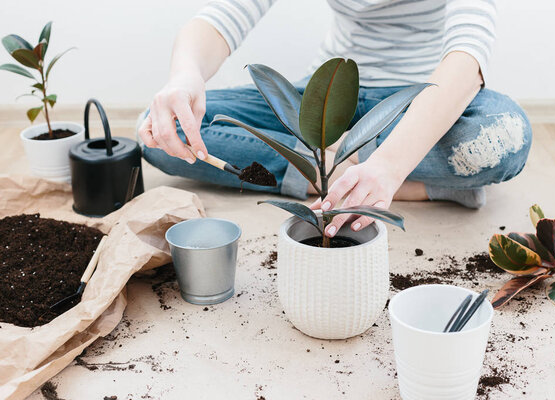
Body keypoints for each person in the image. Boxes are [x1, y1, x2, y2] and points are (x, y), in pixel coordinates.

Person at [138, 0, 531, 239]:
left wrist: (390, 166)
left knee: (505, 134)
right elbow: (223, 17)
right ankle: (427, 185)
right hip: (327, 93)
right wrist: (185, 74)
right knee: (160, 129)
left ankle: (358, 176)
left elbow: (467, 58)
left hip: (419, 98)